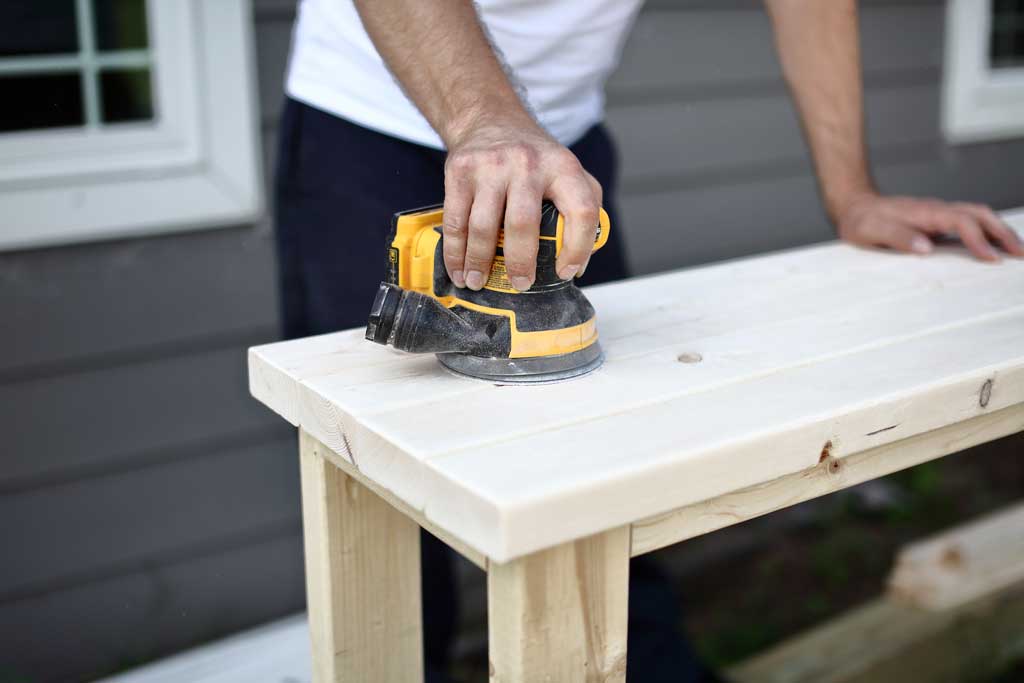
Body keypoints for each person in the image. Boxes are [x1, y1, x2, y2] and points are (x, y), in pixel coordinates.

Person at [275, 1, 1023, 680]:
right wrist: (483, 117)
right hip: (370, 123)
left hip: (559, 146)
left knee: (605, 480)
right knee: (391, 528)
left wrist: (851, 194)